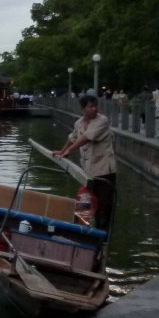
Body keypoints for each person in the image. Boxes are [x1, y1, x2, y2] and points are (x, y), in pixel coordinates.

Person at [53, 93, 117, 231]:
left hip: (104, 170)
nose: (94, 109)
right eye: (90, 107)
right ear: (83, 109)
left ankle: (102, 237)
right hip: (88, 171)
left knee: (103, 207)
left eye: (95, 106)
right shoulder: (79, 123)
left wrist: (70, 150)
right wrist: (62, 150)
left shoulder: (102, 121)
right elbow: (73, 137)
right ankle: (84, 231)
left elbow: (87, 137)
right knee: (85, 202)